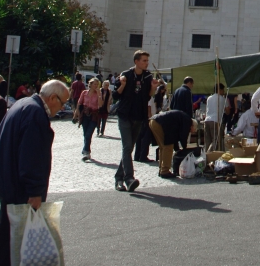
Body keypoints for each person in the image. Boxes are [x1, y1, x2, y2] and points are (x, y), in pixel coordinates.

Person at [0, 79, 68, 266]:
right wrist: (35, 191)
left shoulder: (25, 103)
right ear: (52, 98)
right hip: (14, 181)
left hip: (6, 176)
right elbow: (31, 157)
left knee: (16, 230)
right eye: (63, 102)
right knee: (8, 234)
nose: (62, 108)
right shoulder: (36, 114)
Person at [112, 50, 154, 193]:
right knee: (127, 146)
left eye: (147, 61)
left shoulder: (148, 77)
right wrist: (123, 85)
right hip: (125, 115)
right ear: (136, 61)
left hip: (139, 116)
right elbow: (115, 96)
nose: (146, 63)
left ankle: (118, 178)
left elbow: (148, 96)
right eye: (144, 61)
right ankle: (129, 178)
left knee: (129, 149)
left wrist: (153, 89)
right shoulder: (126, 75)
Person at [148, 110, 198, 179]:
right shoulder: (187, 121)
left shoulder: (184, 118)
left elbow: (175, 137)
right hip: (159, 123)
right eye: (192, 130)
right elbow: (183, 136)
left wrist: (178, 149)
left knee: (162, 147)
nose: (191, 132)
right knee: (168, 147)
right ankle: (165, 171)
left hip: (154, 121)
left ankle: (161, 169)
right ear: (192, 126)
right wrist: (184, 149)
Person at [73, 77, 103, 160]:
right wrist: (76, 112)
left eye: (97, 84)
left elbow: (100, 105)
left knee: (88, 134)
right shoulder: (84, 93)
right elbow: (79, 103)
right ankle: (87, 152)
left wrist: (99, 95)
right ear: (90, 84)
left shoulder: (98, 93)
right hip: (85, 114)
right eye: (94, 84)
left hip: (94, 115)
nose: (96, 86)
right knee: (85, 134)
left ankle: (85, 151)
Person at [204, 83, 227, 151]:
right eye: (223, 90)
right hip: (216, 121)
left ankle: (207, 157)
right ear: (219, 90)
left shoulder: (209, 98)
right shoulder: (222, 99)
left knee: (208, 142)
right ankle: (211, 154)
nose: (223, 92)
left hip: (207, 120)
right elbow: (228, 110)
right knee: (216, 141)